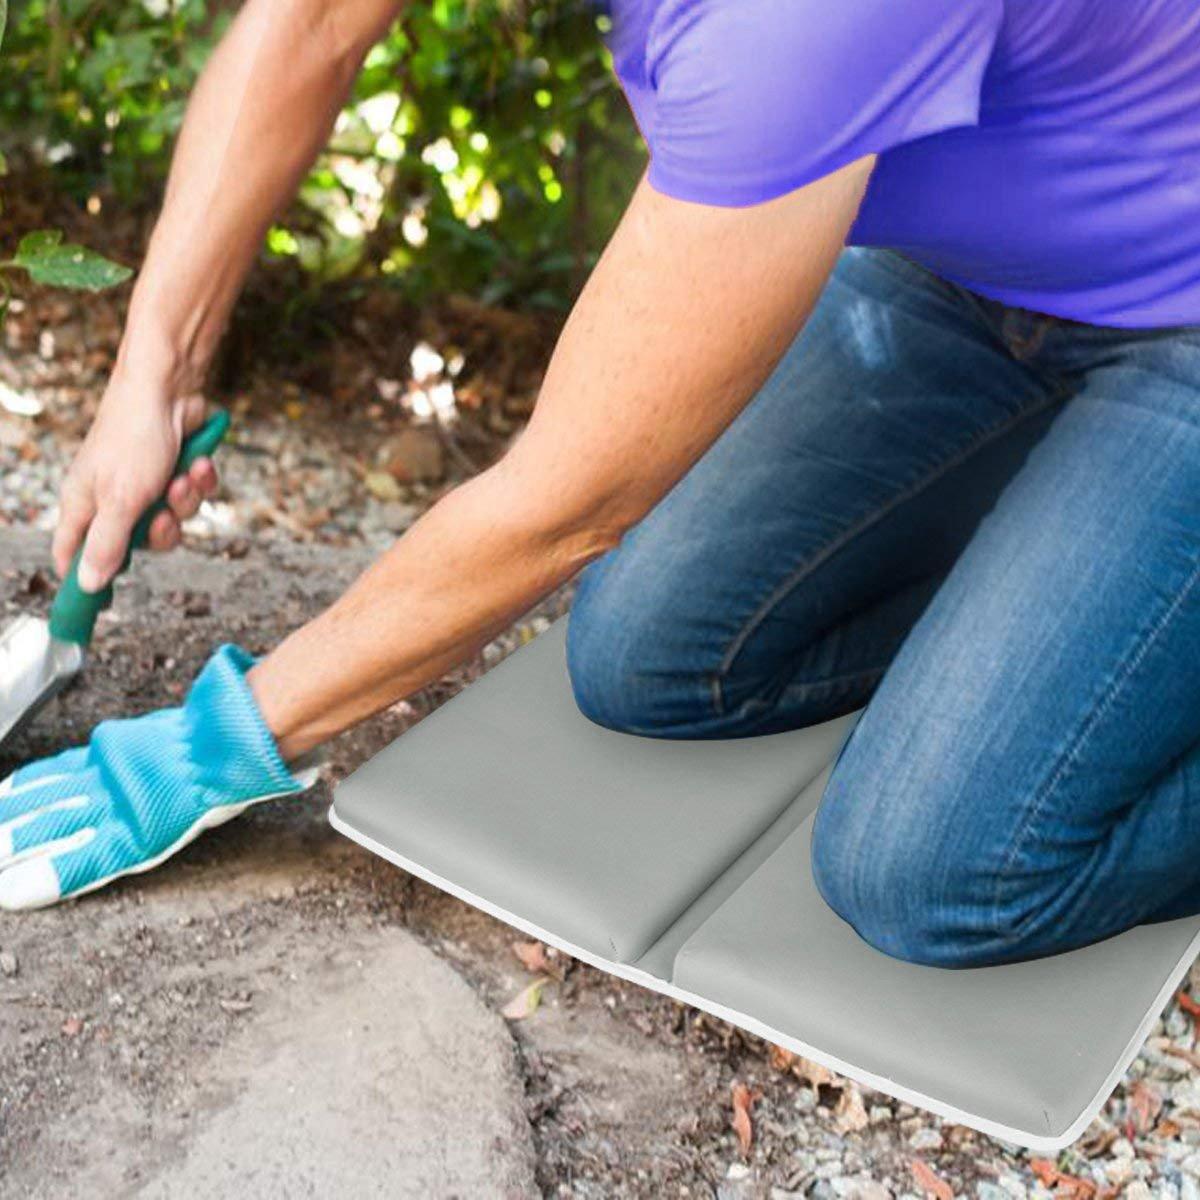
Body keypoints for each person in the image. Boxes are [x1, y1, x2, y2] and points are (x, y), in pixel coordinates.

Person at [2, 0, 1200, 970]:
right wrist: (152, 369)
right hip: (960, 279)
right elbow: (311, 24)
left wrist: (206, 751)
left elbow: (570, 505)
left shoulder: (791, 27)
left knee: (936, 868)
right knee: (653, 658)